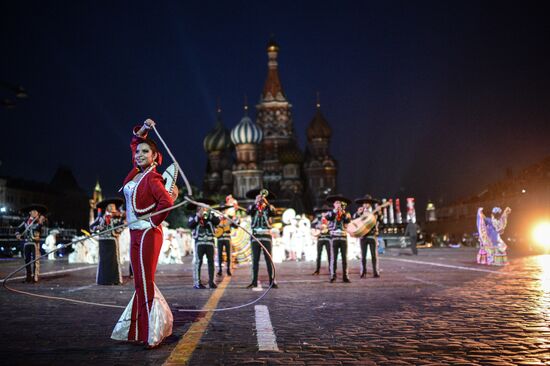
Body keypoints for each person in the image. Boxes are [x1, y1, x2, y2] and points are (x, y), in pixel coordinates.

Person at [111, 118, 178, 349]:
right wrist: (145, 129)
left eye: (145, 151)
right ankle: (140, 329)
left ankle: (152, 331)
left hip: (149, 233)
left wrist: (151, 221)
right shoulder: (135, 175)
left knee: (146, 281)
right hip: (134, 233)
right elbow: (134, 140)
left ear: (154, 156)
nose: (139, 154)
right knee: (138, 282)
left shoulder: (152, 177)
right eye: (138, 151)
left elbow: (166, 202)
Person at [246, 188, 277, 289]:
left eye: (262, 197)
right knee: (255, 260)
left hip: (266, 236)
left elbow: (274, 213)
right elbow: (248, 212)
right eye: (258, 197)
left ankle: (272, 281)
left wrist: (266, 203)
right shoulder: (253, 207)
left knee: (269, 260)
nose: (260, 199)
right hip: (255, 237)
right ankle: (253, 281)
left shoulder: (268, 208)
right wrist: (256, 203)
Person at [91, 198, 125, 285]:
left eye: (114, 206)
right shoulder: (100, 218)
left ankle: (114, 280)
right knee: (103, 261)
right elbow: (92, 227)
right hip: (103, 241)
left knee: (113, 261)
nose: (113, 208)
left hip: (112, 240)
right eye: (111, 206)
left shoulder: (118, 217)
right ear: (107, 208)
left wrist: (119, 227)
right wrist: (97, 228)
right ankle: (103, 280)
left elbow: (121, 227)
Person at [188, 198, 219, 289]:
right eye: (200, 207)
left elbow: (217, 222)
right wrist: (198, 217)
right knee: (198, 262)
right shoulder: (193, 216)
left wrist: (209, 214)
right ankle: (197, 283)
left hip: (210, 242)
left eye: (204, 206)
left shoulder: (211, 215)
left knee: (211, 262)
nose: (202, 208)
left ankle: (211, 282)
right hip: (199, 243)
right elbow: (189, 225)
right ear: (197, 208)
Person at [16, 204, 47, 283]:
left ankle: (35, 276)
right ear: (30, 212)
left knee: (36, 260)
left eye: (36, 212)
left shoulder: (39, 221)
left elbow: (39, 228)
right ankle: (28, 277)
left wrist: (40, 222)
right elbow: (18, 228)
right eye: (33, 211)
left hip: (35, 243)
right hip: (26, 242)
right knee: (27, 260)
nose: (35, 213)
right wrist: (17, 234)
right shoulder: (25, 222)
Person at [325, 195, 352, 283]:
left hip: (343, 237)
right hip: (334, 237)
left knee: (344, 258)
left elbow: (347, 221)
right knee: (334, 258)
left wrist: (342, 212)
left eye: (339, 203)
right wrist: (335, 211)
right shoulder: (330, 213)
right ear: (334, 204)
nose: (338, 204)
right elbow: (328, 218)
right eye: (336, 203)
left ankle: (345, 276)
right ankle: (333, 276)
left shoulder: (346, 213)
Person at [353, 194, 382, 278]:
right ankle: (363, 272)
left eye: (367, 203)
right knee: (363, 256)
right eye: (364, 203)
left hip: (372, 236)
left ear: (370, 204)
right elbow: (354, 220)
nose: (365, 204)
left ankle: (375, 272)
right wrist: (358, 213)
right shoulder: (360, 212)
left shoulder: (375, 212)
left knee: (374, 256)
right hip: (363, 236)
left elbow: (380, 221)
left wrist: (379, 213)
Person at [216, 195, 239, 277]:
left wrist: (236, 219)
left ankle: (229, 269)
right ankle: (219, 269)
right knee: (220, 254)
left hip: (227, 237)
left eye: (224, 209)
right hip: (220, 238)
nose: (223, 210)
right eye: (221, 209)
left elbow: (235, 226)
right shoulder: (216, 218)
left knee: (229, 254)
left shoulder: (229, 217)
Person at [311, 205, 331, 275]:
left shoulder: (330, 219)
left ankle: (331, 269)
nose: (324, 213)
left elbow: (334, 226)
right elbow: (312, 225)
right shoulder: (318, 219)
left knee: (329, 255)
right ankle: (317, 270)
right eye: (323, 212)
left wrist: (327, 227)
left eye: (326, 212)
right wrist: (318, 227)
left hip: (328, 238)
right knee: (319, 255)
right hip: (320, 238)